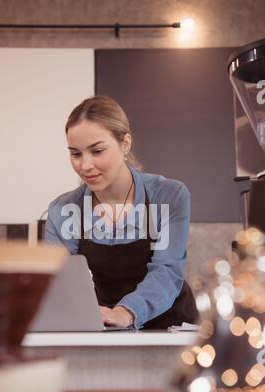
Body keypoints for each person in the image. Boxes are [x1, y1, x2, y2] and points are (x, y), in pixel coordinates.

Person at [45, 95, 198, 329]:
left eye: (97, 151)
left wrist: (126, 312)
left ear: (125, 143)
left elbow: (167, 271)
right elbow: (59, 283)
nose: (84, 166)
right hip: (107, 327)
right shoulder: (62, 211)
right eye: (76, 153)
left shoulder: (169, 196)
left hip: (171, 327)